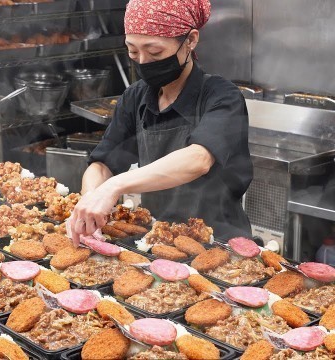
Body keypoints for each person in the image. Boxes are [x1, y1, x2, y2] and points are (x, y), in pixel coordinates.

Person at [68, 0, 253, 245]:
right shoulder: (135, 97)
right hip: (159, 238)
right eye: (133, 51)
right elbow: (102, 164)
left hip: (219, 244)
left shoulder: (222, 96)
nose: (143, 62)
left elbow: (198, 159)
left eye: (155, 52)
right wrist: (91, 199)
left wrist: (114, 186)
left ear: (190, 40)